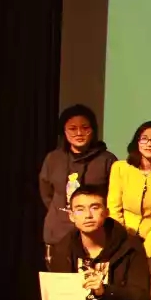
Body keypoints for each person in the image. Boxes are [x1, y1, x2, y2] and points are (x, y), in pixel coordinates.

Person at [39, 104, 117, 262]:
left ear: (93, 130)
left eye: (85, 128)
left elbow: (114, 197)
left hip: (95, 237)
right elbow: (47, 194)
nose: (79, 133)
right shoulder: (53, 158)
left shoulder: (107, 160)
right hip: (58, 234)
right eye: (72, 128)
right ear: (64, 131)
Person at [106, 121, 151, 256]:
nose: (149, 144)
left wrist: (146, 251)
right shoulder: (120, 168)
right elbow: (113, 208)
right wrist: (121, 242)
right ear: (137, 142)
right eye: (144, 139)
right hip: (119, 238)